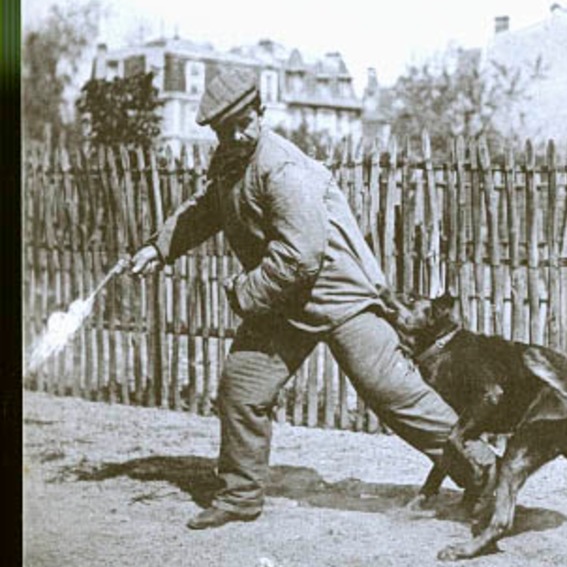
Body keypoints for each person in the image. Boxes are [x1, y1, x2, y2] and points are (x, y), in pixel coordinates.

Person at [130, 66, 496, 530]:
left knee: (393, 394)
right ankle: (240, 495)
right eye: (227, 128)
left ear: (259, 112)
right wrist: (159, 246)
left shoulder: (282, 168)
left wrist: (244, 293)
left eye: (245, 121)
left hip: (338, 293)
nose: (239, 133)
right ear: (216, 131)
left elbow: (300, 257)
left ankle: (489, 476)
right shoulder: (229, 160)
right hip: (284, 301)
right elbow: (208, 207)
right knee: (241, 387)